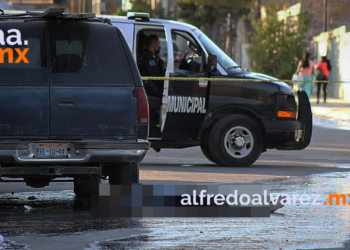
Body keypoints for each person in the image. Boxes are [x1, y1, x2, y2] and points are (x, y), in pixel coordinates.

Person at [138, 34, 166, 99]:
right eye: (158, 44)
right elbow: (155, 76)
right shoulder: (148, 58)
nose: (159, 46)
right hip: (149, 88)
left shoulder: (150, 56)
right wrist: (165, 83)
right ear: (153, 45)